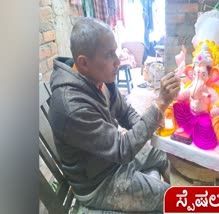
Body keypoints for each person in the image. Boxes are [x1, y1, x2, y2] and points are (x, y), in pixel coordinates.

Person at [48, 17, 180, 212]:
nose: (118, 62)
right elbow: (122, 150)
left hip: (109, 160)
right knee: (169, 199)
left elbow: (125, 112)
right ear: (83, 63)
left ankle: (193, 198)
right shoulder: (72, 106)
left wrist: (149, 123)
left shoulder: (98, 77)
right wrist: (159, 104)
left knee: (161, 152)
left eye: (115, 52)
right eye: (110, 55)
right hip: (98, 182)